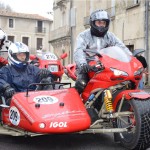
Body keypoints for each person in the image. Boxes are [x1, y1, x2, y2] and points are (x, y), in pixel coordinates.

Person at [74, 9, 132, 93]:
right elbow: (78, 51)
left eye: (103, 23)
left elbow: (122, 47)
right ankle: (78, 103)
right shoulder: (83, 36)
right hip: (87, 66)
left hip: (106, 65)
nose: (101, 25)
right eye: (99, 22)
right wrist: (83, 65)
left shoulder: (110, 36)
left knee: (120, 81)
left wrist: (131, 58)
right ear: (93, 23)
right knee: (81, 84)